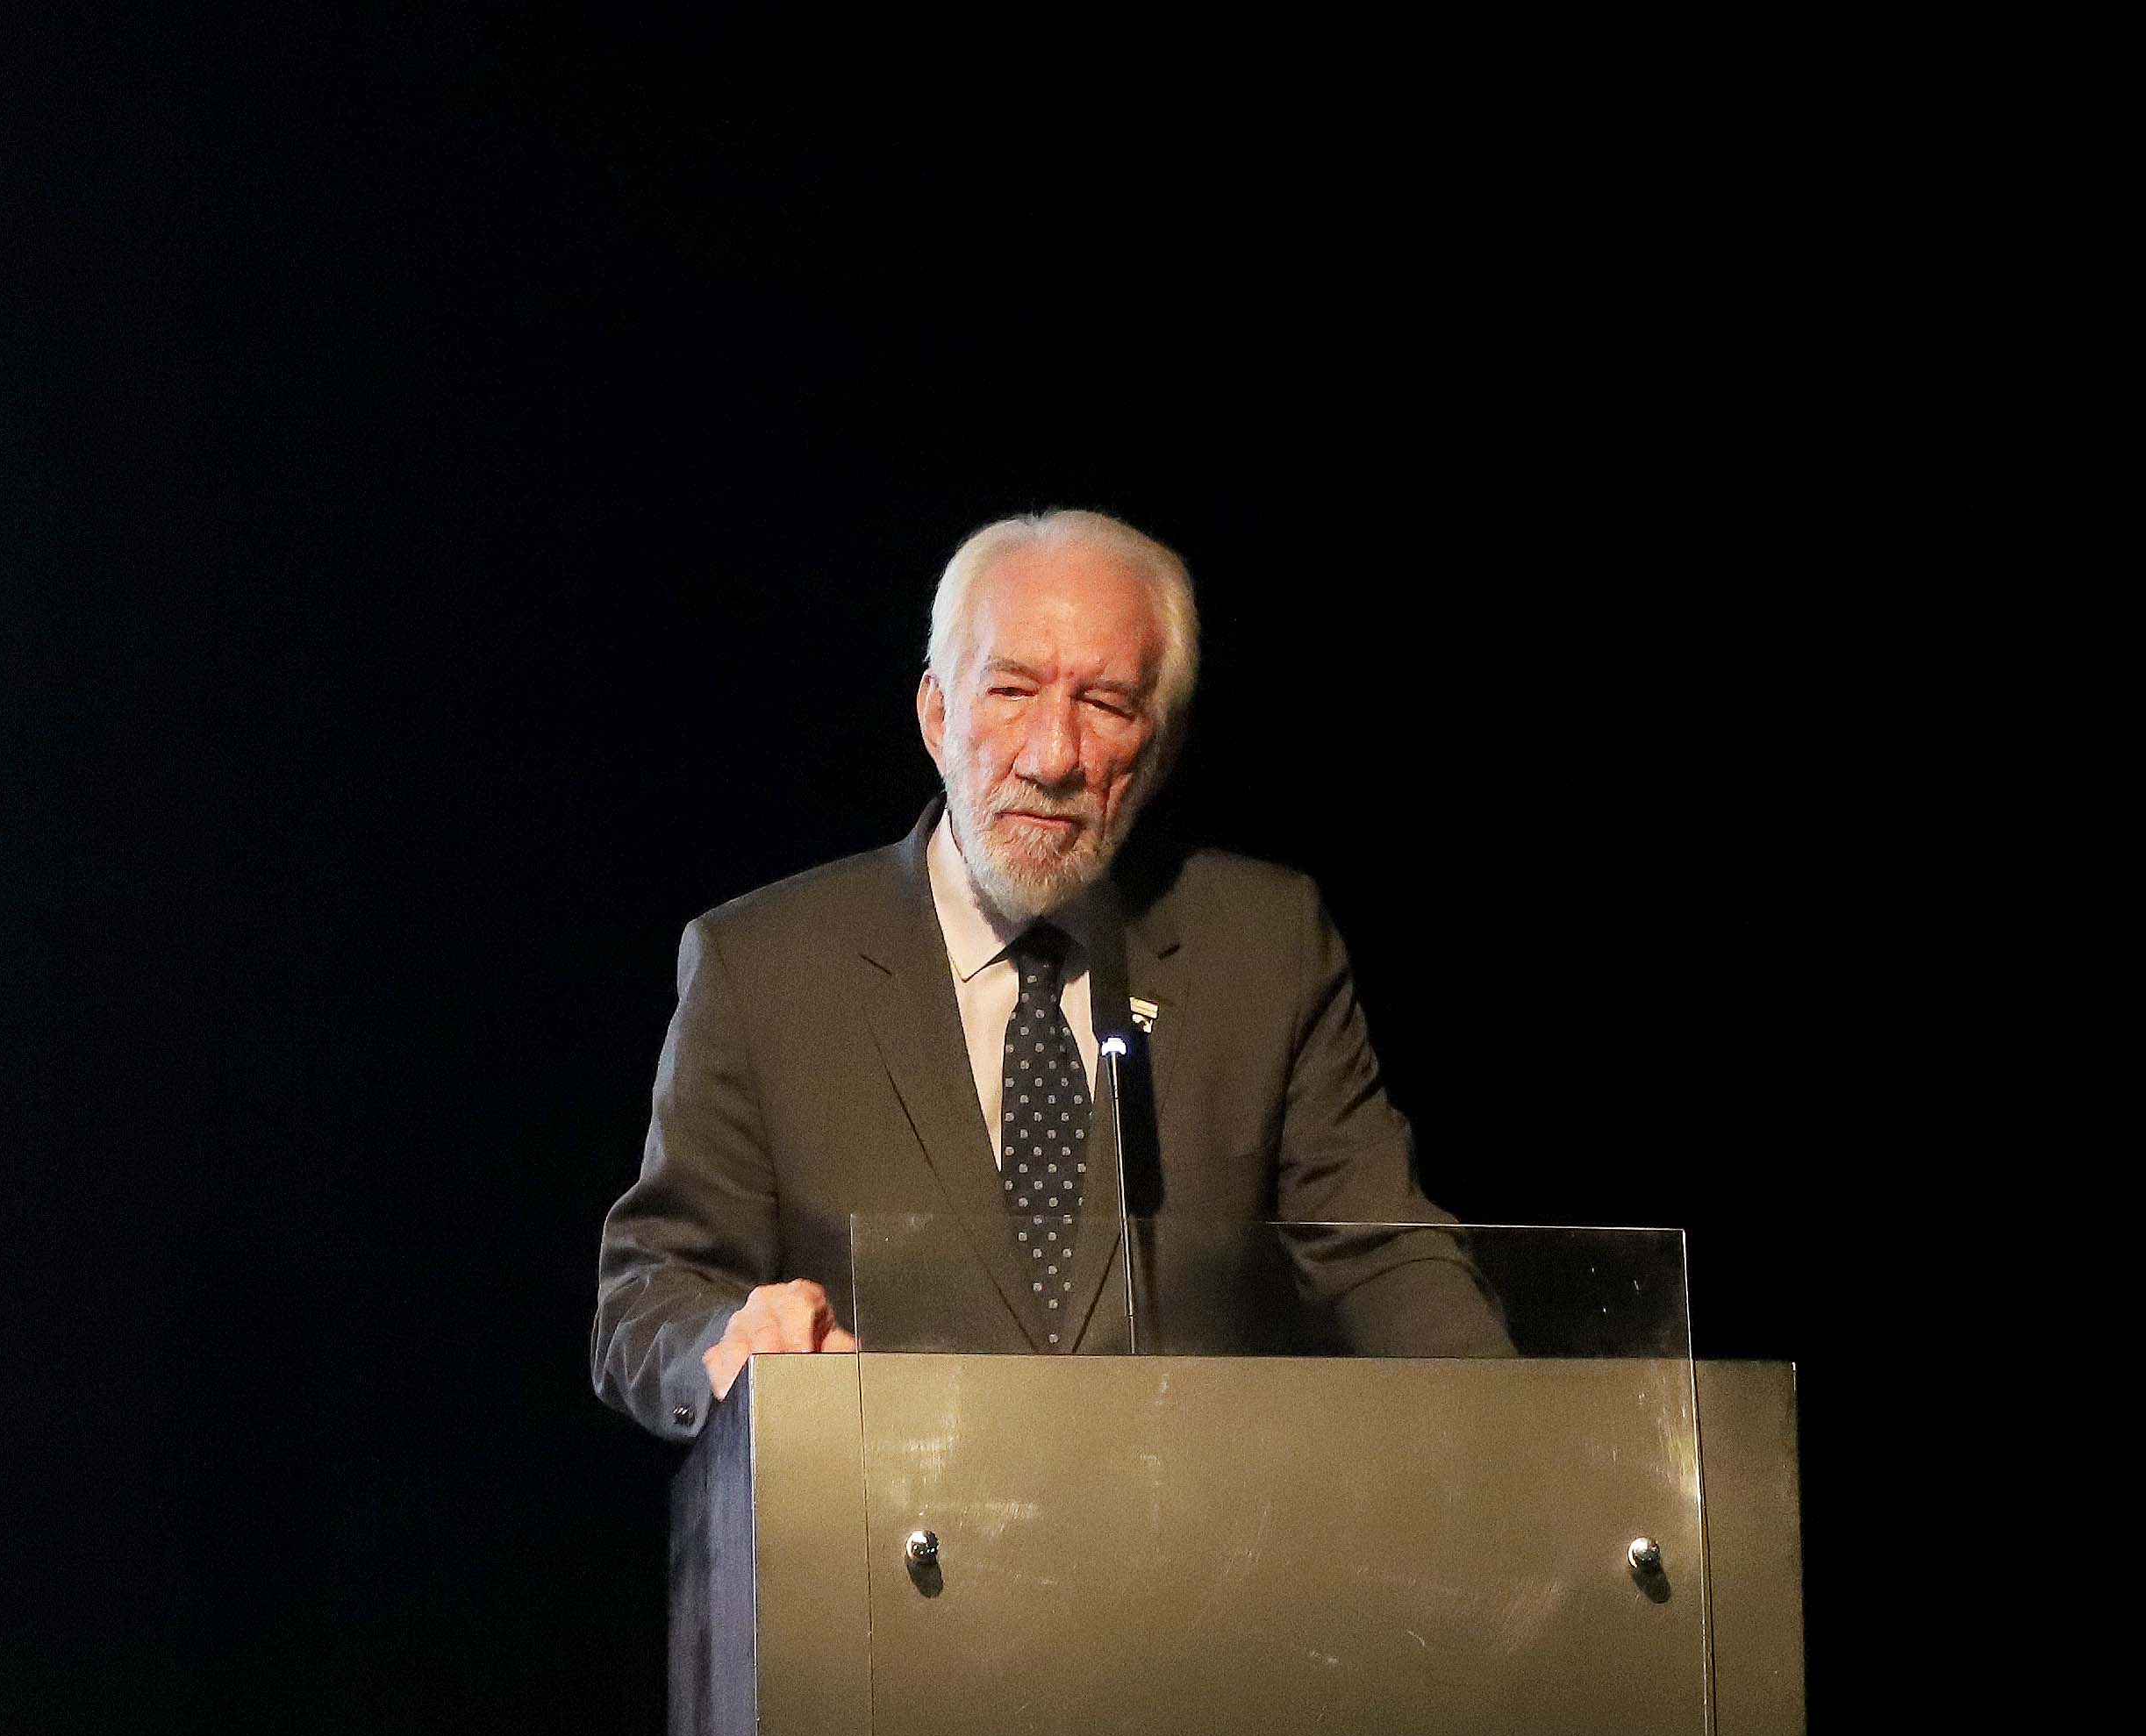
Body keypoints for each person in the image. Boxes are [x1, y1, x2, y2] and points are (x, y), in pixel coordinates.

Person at [585, 508, 1501, 1438]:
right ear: (937, 715)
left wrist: (1530, 1439)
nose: (1052, 756)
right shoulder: (763, 966)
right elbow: (651, 1291)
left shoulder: (1264, 946)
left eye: (1105, 705)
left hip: (1184, 1551)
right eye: (1012, 691)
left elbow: (1386, 1261)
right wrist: (730, 1344)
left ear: (1162, 744)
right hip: (873, 1545)